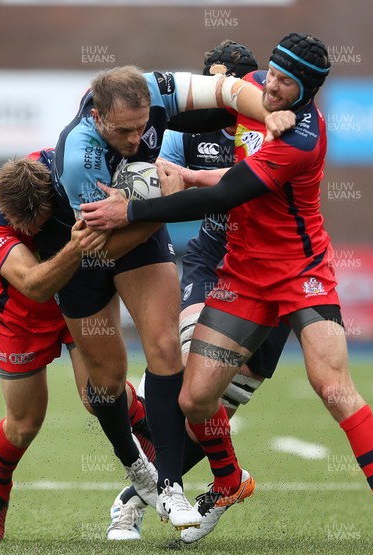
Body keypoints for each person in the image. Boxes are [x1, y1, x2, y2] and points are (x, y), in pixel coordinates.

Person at [79, 34, 373, 555]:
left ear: (309, 89)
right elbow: (202, 124)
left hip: (300, 271)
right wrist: (131, 126)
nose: (275, 87)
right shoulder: (257, 90)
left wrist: (129, 211)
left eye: (288, 83)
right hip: (242, 274)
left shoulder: (303, 139)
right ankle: (227, 480)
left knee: (331, 385)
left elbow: (226, 193)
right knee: (195, 398)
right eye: (273, 75)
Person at [42, 65, 274, 529]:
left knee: (166, 349)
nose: (137, 137)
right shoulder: (78, 160)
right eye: (125, 130)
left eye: (143, 125)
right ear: (99, 117)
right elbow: (103, 248)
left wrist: (272, 116)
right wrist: (156, 207)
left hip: (141, 230)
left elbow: (229, 90)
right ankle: (137, 467)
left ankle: (171, 486)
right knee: (102, 388)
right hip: (92, 249)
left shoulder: (153, 89)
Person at [105, 41, 291, 542]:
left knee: (207, 411)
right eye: (208, 88)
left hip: (275, 272)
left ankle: (218, 485)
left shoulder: (278, 132)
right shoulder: (185, 131)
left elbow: (239, 188)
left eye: (224, 88)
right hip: (212, 263)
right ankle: (195, 485)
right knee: (190, 388)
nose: (213, 101)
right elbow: (162, 185)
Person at [0, 149, 155, 541]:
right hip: (21, 313)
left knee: (99, 394)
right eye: (25, 227)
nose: (34, 233)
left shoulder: (69, 167)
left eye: (38, 223)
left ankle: (151, 437)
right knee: (24, 424)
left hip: (80, 296)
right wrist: (76, 244)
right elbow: (35, 285)